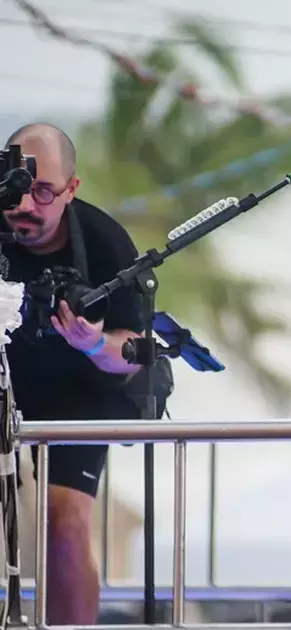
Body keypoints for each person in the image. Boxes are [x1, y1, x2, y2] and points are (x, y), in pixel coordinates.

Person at [2, 122, 144, 625]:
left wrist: (93, 343)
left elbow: (134, 355)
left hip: (78, 392)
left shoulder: (106, 244)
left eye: (44, 192)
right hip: (5, 384)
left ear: (71, 189)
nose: (26, 207)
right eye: (17, 188)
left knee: (65, 519)